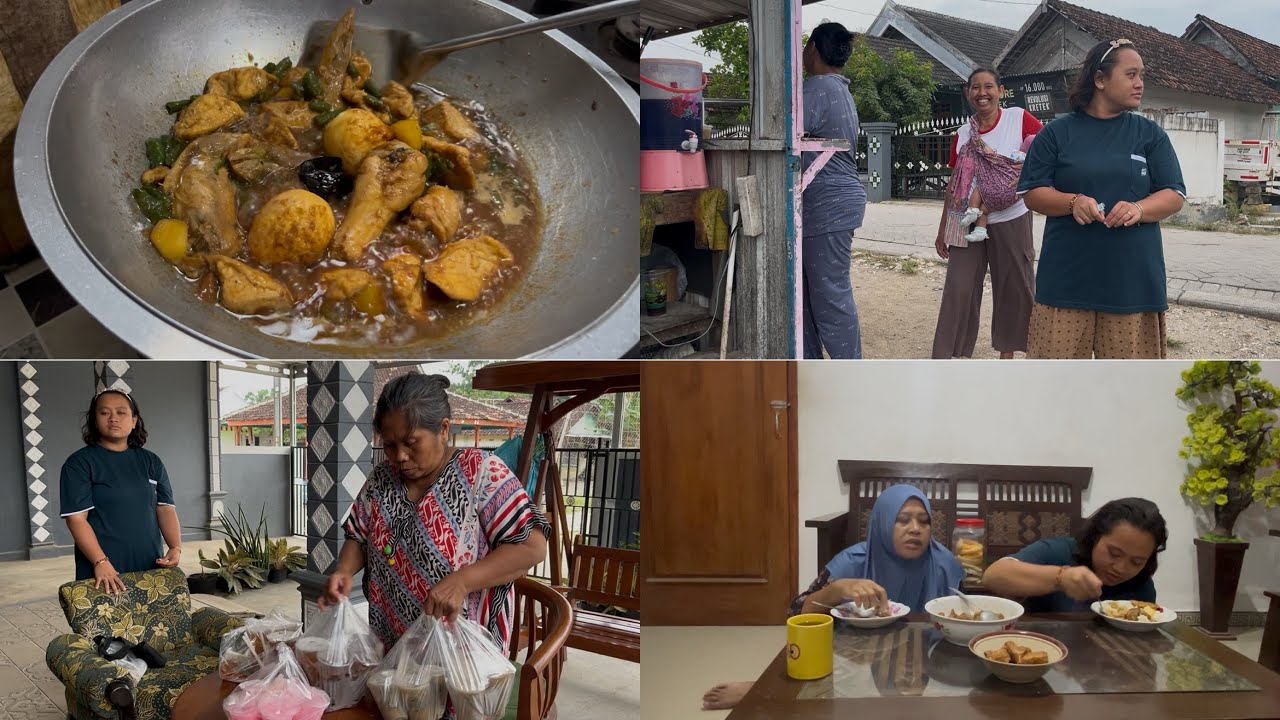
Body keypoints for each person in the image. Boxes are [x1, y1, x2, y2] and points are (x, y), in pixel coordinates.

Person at [323, 372, 550, 653]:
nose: (400, 456)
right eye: (390, 445)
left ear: (443, 429)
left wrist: (462, 581)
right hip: (392, 647)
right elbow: (358, 535)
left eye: (411, 442)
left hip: (462, 653)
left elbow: (532, 547)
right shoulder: (381, 479)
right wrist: (344, 571)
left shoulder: (481, 473)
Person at [702, 484, 962, 710]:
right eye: (903, 519)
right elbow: (796, 615)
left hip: (924, 657)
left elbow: (963, 619)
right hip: (854, 654)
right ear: (882, 521)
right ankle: (761, 688)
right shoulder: (853, 561)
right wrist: (837, 590)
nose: (915, 529)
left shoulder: (944, 563)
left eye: (923, 521)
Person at [1017, 39, 1186, 359]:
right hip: (1067, 282)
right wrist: (1072, 201)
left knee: (1126, 390)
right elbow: (1033, 193)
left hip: (1132, 283)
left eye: (1142, 76)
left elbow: (1174, 194)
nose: (1140, 84)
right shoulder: (1056, 133)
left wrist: (1139, 207)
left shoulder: (1149, 134)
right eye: (1131, 74)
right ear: (1100, 79)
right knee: (1056, 386)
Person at [932, 68, 1042, 360]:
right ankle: (951, 356)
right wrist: (944, 226)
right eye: (975, 88)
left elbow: (1046, 155)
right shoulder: (962, 133)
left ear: (1000, 91)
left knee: (1014, 286)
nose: (982, 93)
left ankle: (1008, 353)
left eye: (989, 87)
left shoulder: (1018, 119)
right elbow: (955, 183)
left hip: (1011, 216)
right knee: (959, 288)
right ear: (968, 93)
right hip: (965, 218)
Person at [60, 389, 182, 595]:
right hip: (103, 568)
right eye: (104, 413)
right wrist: (100, 561)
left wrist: (175, 547)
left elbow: (165, 508)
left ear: (134, 420)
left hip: (150, 563)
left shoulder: (151, 461)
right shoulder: (79, 463)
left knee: (152, 623)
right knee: (106, 624)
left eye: (121, 412)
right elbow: (76, 519)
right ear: (94, 420)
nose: (113, 418)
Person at [800, 22, 867, 359]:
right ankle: (813, 369)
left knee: (828, 295)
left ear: (813, 48)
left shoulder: (818, 87)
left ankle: (848, 375)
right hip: (833, 200)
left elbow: (782, 131)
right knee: (811, 294)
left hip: (828, 201)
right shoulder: (838, 87)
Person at [981, 497, 1168, 612]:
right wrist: (1060, 578)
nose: (1121, 568)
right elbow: (993, 576)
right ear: (1096, 536)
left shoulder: (1141, 585)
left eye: (1136, 562)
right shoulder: (1058, 551)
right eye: (1114, 553)